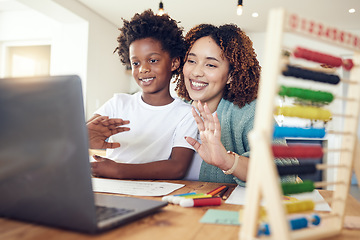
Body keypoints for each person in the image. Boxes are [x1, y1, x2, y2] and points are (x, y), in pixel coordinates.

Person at [175, 24, 298, 185]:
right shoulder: (178, 109)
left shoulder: (250, 112)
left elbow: (285, 173)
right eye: (191, 60)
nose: (196, 72)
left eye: (210, 64)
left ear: (231, 75)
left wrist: (227, 161)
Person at [87, 10, 198, 180]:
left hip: (151, 192)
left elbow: (177, 168)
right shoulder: (118, 103)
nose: (143, 69)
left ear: (174, 62)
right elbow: (79, 138)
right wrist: (84, 139)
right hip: (108, 186)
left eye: (153, 60)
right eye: (136, 63)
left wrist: (118, 171)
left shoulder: (186, 114)